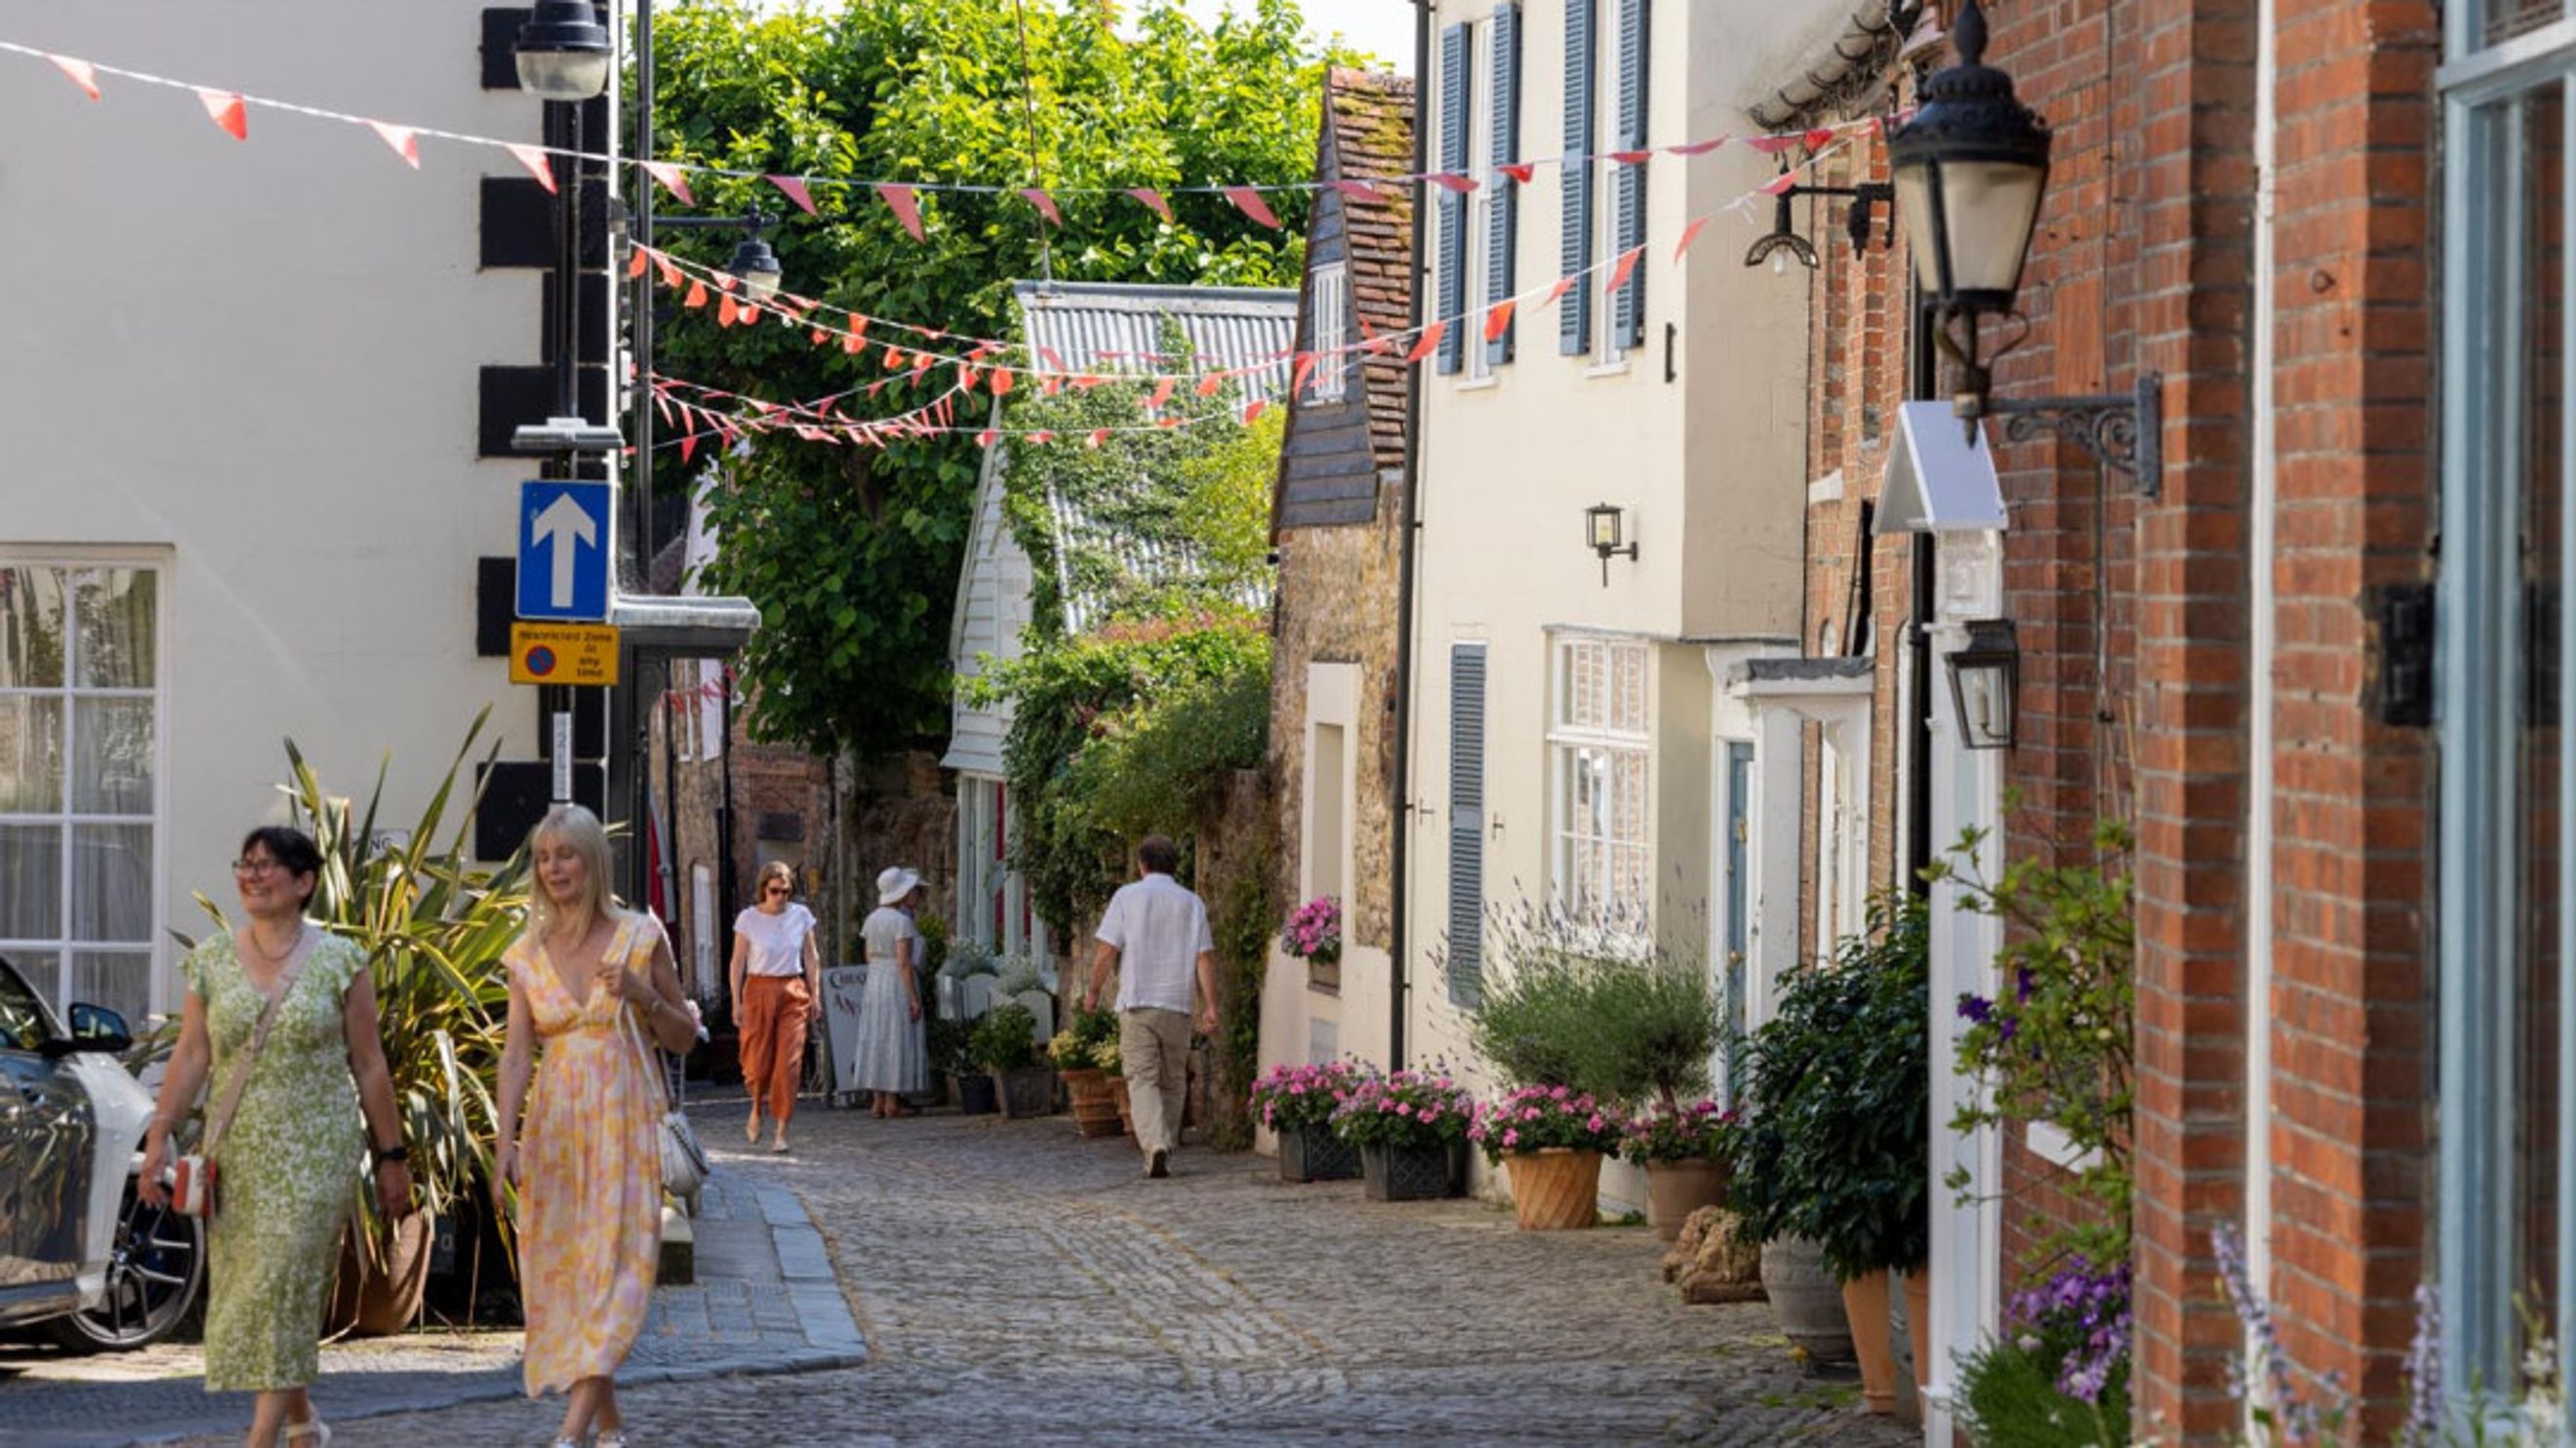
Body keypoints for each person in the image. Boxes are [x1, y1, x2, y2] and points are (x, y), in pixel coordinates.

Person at [139, 825, 415, 1448]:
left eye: (267, 866)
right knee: (256, 1288)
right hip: (238, 1151)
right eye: (246, 864)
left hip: (318, 1148)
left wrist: (392, 1156)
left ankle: (260, 1438)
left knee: (286, 1275)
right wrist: (159, 1137)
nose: (252, 875)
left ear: (304, 882)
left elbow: (370, 1064)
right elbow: (192, 1055)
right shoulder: (211, 961)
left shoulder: (341, 960)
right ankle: (302, 1422)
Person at [491, 804, 697, 1448]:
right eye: (543, 858)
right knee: (567, 1272)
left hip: (624, 1124)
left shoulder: (640, 936)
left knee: (614, 1269)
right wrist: (503, 1144)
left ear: (593, 861)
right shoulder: (526, 955)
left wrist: (643, 994)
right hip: (554, 1129)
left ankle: (570, 1431)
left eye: (567, 855)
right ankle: (609, 1428)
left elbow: (684, 1038)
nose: (553, 869)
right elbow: (516, 1054)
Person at [1083, 835, 1218, 1180]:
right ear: (1174, 866)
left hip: (1138, 1001)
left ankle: (1155, 1143)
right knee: (1173, 1081)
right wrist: (1210, 1005)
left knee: (1141, 1078)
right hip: (1177, 1004)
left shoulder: (1126, 897)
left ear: (1141, 865)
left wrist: (1094, 991)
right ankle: (1165, 1147)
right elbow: (1203, 958)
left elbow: (1106, 951)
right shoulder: (1192, 903)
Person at [728, 860, 821, 1152]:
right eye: (774, 891)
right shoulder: (748, 919)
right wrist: (736, 1001)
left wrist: (816, 995)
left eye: (785, 891)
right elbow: (737, 962)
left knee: (789, 1064)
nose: (780, 897)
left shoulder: (801, 916)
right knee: (756, 1064)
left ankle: (782, 1131)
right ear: (763, 889)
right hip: (758, 989)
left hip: (793, 990)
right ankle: (756, 1106)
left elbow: (811, 958)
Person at [852, 866, 929, 1118]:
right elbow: (904, 962)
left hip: (875, 980)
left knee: (877, 1036)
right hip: (896, 981)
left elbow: (868, 955)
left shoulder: (872, 919)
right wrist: (913, 999)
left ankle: (878, 1101)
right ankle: (892, 1101)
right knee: (896, 1036)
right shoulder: (901, 922)